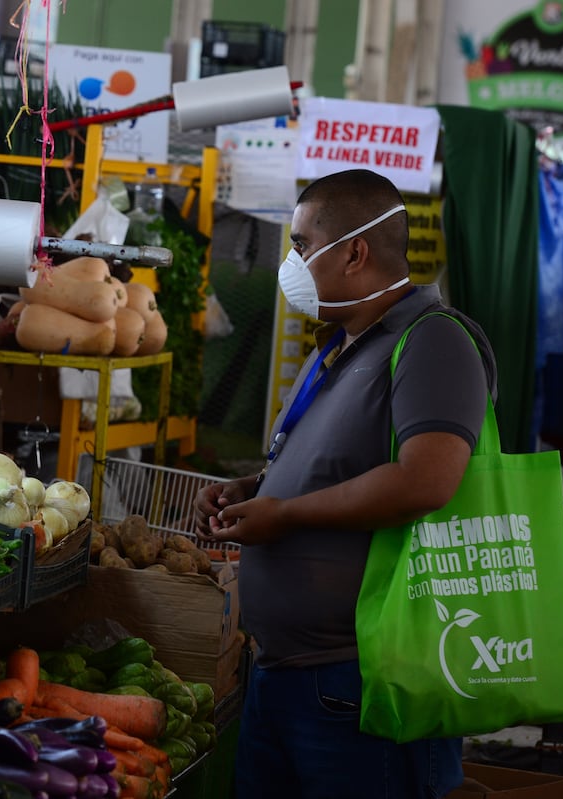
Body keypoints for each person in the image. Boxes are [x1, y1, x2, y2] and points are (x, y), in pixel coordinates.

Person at [193, 168, 498, 799]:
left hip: (358, 684)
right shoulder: (339, 346)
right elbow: (335, 463)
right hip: (282, 677)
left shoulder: (432, 341)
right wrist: (256, 488)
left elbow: (427, 479)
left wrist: (290, 514)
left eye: (302, 244)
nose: (293, 260)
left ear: (355, 251)